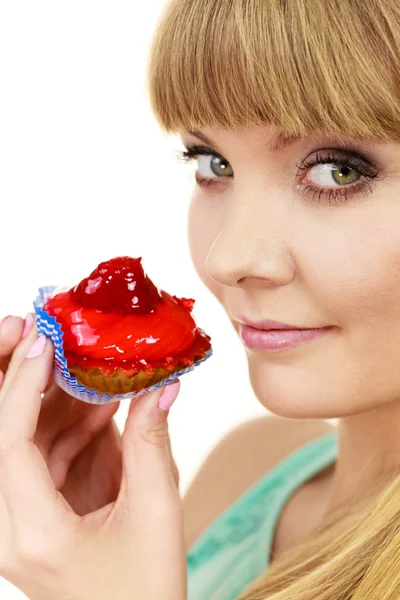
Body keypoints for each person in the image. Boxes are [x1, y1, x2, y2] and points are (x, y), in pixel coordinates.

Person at [1, 0, 400, 598]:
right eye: (214, 163)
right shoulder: (249, 467)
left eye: (339, 172)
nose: (226, 258)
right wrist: (103, 545)